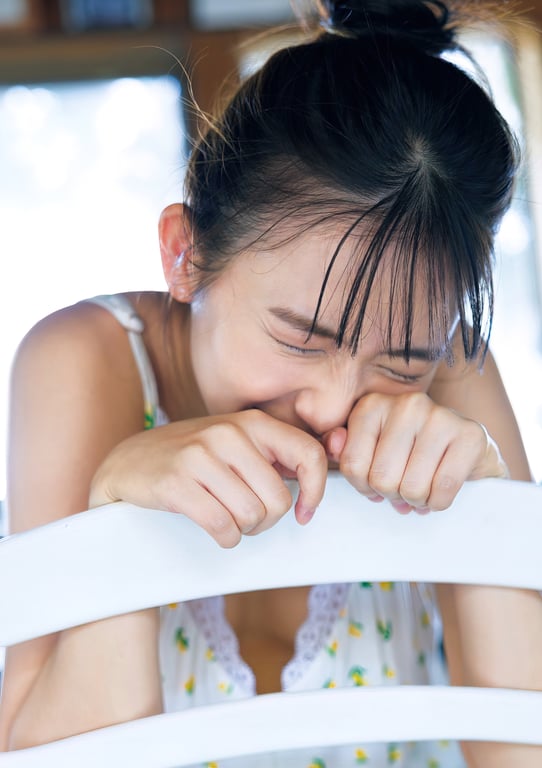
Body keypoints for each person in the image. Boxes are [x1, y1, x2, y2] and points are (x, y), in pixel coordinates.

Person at [1, 0, 541, 765]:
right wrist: (116, 503)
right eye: (299, 337)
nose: (331, 406)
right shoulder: (88, 362)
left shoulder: (453, 372)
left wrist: (488, 511)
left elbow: (521, 754)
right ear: (185, 255)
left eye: (400, 362)